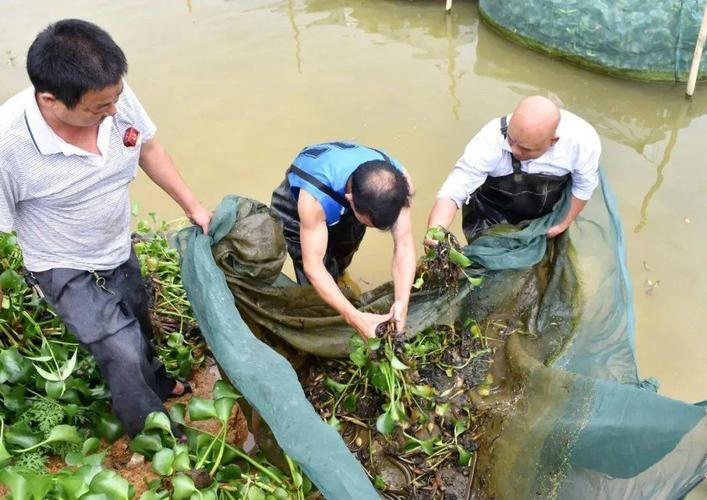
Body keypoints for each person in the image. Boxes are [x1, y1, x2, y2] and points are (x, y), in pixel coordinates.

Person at [0, 19, 211, 438]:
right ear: (50, 100)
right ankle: (152, 432)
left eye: (115, 98)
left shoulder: (111, 94)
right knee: (120, 347)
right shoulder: (8, 146)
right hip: (64, 264)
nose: (113, 111)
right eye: (99, 107)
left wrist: (192, 206)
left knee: (138, 319)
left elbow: (148, 146)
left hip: (116, 244)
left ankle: (158, 381)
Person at [271, 141, 416, 339]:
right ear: (350, 200)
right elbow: (312, 266)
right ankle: (326, 324)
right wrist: (353, 316)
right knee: (315, 279)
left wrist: (402, 300)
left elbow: (404, 243)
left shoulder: (399, 184)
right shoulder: (312, 200)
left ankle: (339, 277)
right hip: (300, 202)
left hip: (355, 197)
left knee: (345, 251)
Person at [427, 96, 601, 242]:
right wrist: (435, 230)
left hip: (545, 214)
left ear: (553, 141)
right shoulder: (491, 138)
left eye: (526, 149)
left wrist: (563, 223)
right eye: (510, 140)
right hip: (491, 210)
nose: (515, 151)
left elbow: (583, 187)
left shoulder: (582, 143)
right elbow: (456, 188)